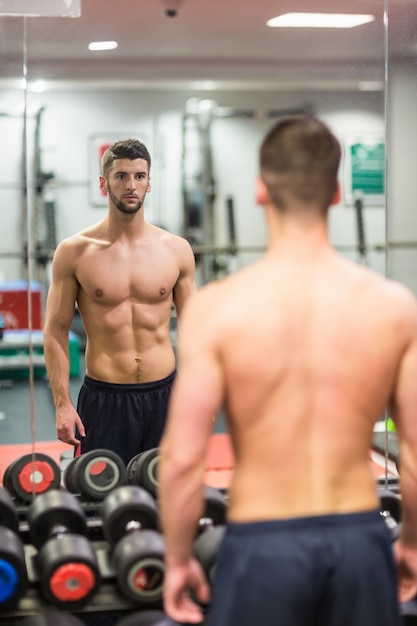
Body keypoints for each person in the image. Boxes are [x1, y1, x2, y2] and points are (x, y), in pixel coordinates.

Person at [158, 115, 417, 626]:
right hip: (359, 540)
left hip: (263, 545)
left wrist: (176, 559)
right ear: (337, 193)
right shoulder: (393, 307)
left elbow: (184, 459)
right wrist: (410, 541)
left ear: (259, 190)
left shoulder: (218, 309)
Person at [43, 138, 196, 465]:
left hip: (166, 395)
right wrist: (62, 404)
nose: (131, 185)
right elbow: (55, 330)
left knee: (169, 499)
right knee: (100, 499)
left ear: (149, 182)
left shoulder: (176, 250)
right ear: (104, 183)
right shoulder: (75, 252)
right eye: (121, 176)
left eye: (140, 176)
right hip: (105, 399)